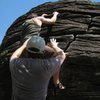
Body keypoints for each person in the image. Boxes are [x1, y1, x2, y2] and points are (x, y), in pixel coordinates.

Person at [9, 36, 66, 100]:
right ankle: (56, 82)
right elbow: (62, 55)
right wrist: (55, 46)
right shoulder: (46, 66)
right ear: (42, 52)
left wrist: (24, 45)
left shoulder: (15, 64)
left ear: (27, 50)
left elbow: (15, 55)